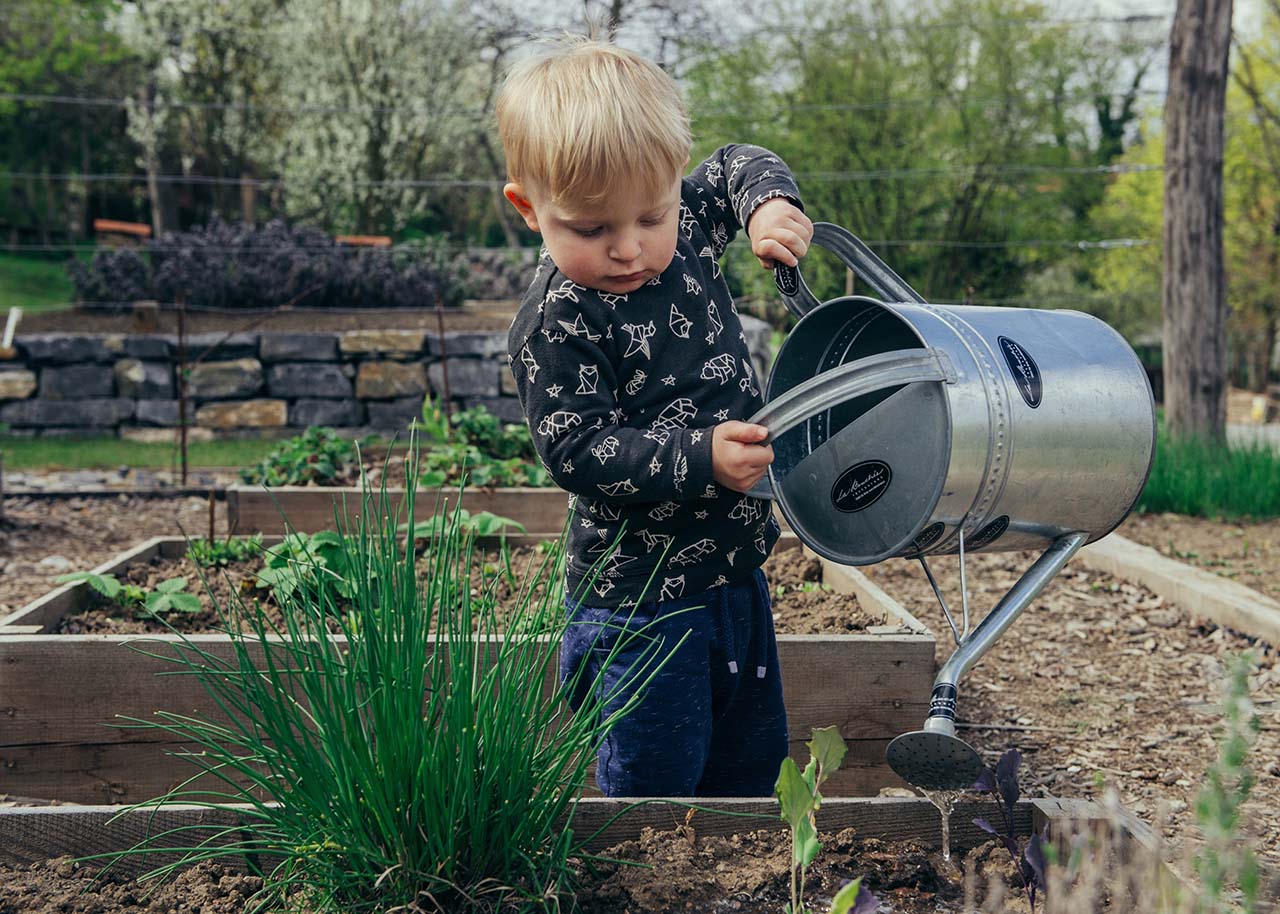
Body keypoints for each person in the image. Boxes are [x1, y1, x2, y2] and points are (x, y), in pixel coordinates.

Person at [498, 36, 813, 797]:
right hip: (641, 605)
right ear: (528, 209)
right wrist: (700, 456)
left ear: (674, 184)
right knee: (656, 785)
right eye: (589, 228)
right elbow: (577, 449)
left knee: (749, 764)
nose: (629, 248)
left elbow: (739, 160)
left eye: (651, 214)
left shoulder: (693, 224)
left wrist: (771, 204)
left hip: (737, 576)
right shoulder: (558, 321)